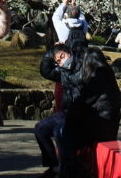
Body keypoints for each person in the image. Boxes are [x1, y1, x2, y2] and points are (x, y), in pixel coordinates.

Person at [62, 47, 121, 174]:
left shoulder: (96, 76)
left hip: (99, 127)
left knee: (68, 134)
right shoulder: (108, 74)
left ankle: (69, 169)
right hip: (110, 125)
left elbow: (85, 101)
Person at [35, 43, 82, 178]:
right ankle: (53, 164)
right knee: (40, 128)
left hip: (79, 113)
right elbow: (45, 71)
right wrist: (49, 55)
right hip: (65, 113)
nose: (62, 61)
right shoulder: (62, 72)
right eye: (58, 61)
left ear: (70, 53)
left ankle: (65, 171)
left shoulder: (83, 65)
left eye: (62, 56)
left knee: (59, 132)